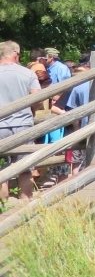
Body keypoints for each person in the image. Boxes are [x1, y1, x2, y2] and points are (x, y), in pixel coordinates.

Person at [0, 41, 42, 199]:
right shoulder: (27, 73)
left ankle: (2, 209)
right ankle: (24, 206)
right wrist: (31, 110)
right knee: (25, 169)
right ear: (16, 54)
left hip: (0, 127)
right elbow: (37, 97)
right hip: (23, 125)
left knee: (2, 170)